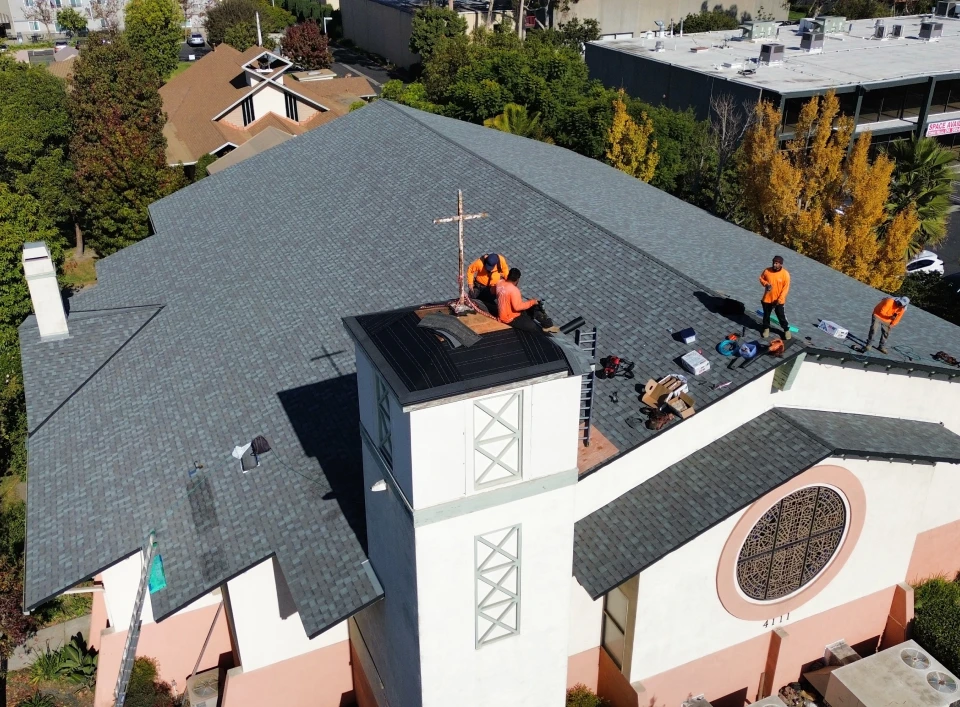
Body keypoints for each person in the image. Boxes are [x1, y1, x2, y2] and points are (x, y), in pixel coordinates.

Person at [496, 268, 549, 333]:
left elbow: (492, 291)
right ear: (517, 279)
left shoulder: (499, 283)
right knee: (532, 326)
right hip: (509, 318)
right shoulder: (514, 290)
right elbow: (517, 307)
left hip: (503, 314)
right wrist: (532, 302)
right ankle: (547, 324)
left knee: (528, 309)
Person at [759, 255, 791, 340]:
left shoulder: (785, 274)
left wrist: (779, 299)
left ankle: (786, 330)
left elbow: (785, 289)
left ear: (781, 264)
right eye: (773, 262)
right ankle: (766, 328)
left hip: (778, 301)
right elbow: (761, 278)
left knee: (781, 316)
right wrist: (766, 284)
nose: (774, 264)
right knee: (766, 315)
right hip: (767, 299)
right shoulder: (767, 271)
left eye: (776, 263)